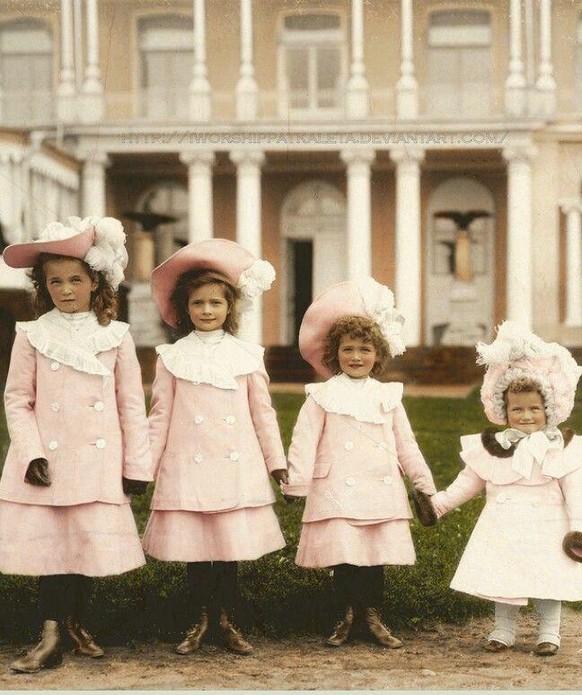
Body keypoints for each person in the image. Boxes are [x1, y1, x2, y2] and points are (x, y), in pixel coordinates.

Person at [0, 216, 152, 673]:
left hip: (99, 461)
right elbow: (17, 400)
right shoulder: (32, 334)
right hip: (49, 459)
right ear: (43, 287)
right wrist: (32, 452)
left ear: (95, 282)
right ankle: (49, 635)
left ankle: (73, 622)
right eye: (55, 281)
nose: (66, 290)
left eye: (75, 280)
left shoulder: (116, 337)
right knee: (53, 547)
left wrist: (136, 465)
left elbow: (131, 406)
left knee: (84, 543)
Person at [142, 238, 288, 656]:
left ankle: (225, 619)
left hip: (234, 465)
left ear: (230, 308)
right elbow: (159, 417)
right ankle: (198, 618)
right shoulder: (171, 357)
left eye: (215, 303)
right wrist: (145, 468)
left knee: (227, 548)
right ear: (186, 311)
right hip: (189, 464)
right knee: (196, 548)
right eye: (198, 304)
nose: (207, 311)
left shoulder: (247, 356)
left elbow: (263, 413)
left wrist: (276, 462)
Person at [282, 277, 437, 648]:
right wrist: (297, 482)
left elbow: (406, 444)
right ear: (335, 354)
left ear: (377, 355)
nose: (356, 357)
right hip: (336, 488)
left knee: (374, 556)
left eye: (365, 350)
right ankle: (347, 615)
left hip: (378, 485)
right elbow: (304, 441)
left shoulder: (388, 396)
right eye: (349, 349)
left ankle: (372, 615)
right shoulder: (321, 396)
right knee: (345, 556)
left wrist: (423, 484)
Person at [431, 320, 582, 656]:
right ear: (504, 410)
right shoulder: (494, 447)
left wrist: (578, 527)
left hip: (547, 525)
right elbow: (469, 481)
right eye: (517, 409)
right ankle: (504, 629)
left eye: (534, 409)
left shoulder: (561, 448)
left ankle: (549, 631)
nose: (525, 416)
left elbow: (576, 492)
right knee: (504, 576)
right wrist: (439, 504)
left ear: (549, 410)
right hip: (505, 524)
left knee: (548, 576)